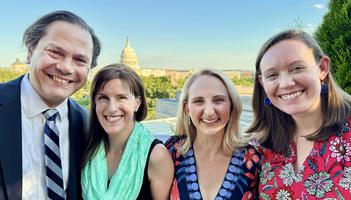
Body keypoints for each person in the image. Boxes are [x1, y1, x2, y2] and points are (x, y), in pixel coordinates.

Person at [0, 10, 101, 199]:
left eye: (80, 60)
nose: (66, 67)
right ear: (31, 51)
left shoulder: (88, 126)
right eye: (55, 52)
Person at [247, 29, 351, 199]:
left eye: (297, 68)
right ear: (262, 83)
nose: (286, 83)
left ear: (322, 68)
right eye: (272, 75)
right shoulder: (261, 145)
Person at [81, 64, 174, 200]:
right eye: (103, 98)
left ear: (137, 103)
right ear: (95, 102)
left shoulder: (157, 156)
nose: (112, 108)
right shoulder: (86, 145)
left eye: (121, 97)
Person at [165, 69, 261, 200]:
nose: (209, 112)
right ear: (187, 108)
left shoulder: (254, 159)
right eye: (199, 101)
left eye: (218, 100)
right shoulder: (171, 152)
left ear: (231, 105)